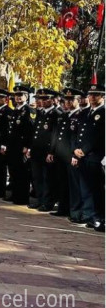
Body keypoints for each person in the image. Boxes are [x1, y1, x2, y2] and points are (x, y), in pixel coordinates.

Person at [51, 88, 86, 221]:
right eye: (66, 100)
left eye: (71, 100)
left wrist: (75, 155)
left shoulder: (81, 116)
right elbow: (57, 135)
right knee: (62, 183)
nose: (68, 102)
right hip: (61, 155)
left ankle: (76, 212)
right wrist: (52, 152)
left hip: (71, 156)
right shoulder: (64, 115)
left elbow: (79, 138)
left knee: (75, 186)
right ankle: (63, 208)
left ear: (78, 100)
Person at [74, 83, 104, 231]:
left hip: (96, 156)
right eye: (90, 95)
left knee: (97, 189)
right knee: (85, 188)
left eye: (96, 95)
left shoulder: (103, 112)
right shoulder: (85, 112)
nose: (92, 97)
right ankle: (89, 216)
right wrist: (76, 150)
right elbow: (78, 134)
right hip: (82, 156)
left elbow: (98, 137)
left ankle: (99, 217)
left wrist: (84, 150)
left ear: (102, 97)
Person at [30, 89, 61, 211]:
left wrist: (51, 152)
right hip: (37, 150)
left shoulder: (56, 114)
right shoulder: (41, 112)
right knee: (37, 177)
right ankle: (40, 199)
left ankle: (48, 202)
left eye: (45, 99)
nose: (41, 101)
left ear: (52, 100)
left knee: (47, 178)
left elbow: (55, 135)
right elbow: (35, 133)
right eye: (40, 99)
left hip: (47, 152)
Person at [5, 86, 34, 205]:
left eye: (20, 95)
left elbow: (30, 130)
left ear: (26, 97)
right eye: (16, 95)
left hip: (22, 146)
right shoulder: (15, 110)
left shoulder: (29, 111)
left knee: (22, 173)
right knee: (14, 171)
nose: (17, 97)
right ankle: (15, 194)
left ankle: (22, 197)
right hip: (13, 146)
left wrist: (27, 146)